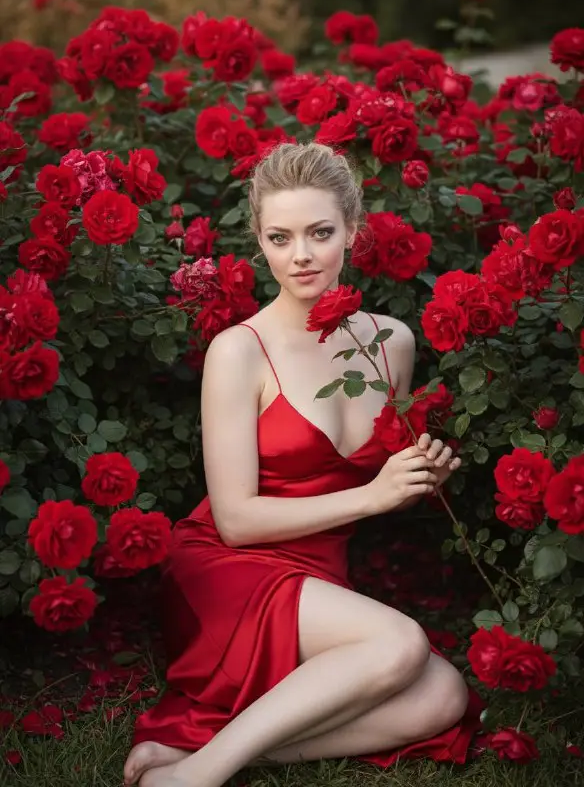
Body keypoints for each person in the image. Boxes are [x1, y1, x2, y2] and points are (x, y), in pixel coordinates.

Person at [124, 142, 481, 787]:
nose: (301, 256)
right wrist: (373, 496)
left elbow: (383, 479)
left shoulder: (391, 343)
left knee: (443, 696)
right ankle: (191, 780)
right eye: (280, 238)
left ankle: (217, 754)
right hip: (229, 568)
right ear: (260, 241)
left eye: (320, 233)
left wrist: (418, 477)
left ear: (352, 228)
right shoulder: (239, 351)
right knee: (402, 645)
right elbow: (236, 521)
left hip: (320, 573)